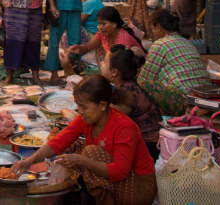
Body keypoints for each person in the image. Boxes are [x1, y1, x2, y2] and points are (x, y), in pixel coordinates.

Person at [11, 75, 157, 205]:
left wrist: (81, 160)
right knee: (72, 147)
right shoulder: (85, 119)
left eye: (84, 107)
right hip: (118, 181)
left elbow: (120, 172)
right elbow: (58, 143)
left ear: (102, 105)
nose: (80, 111)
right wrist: (28, 161)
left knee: (90, 153)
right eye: (78, 106)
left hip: (139, 188)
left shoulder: (124, 126)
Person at [137, 9, 210, 116]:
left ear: (158, 27)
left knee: (141, 86)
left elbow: (145, 79)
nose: (153, 32)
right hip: (201, 97)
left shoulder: (160, 44)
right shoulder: (187, 43)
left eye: (152, 28)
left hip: (183, 99)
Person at [104, 45, 162, 159]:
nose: (101, 64)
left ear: (115, 72)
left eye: (104, 62)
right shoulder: (127, 86)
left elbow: (106, 120)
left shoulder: (127, 93)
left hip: (149, 148)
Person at [69, 7, 145, 64]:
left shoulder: (123, 39)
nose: (100, 27)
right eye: (99, 24)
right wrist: (79, 48)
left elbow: (121, 64)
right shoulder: (102, 33)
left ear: (114, 24)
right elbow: (88, 46)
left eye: (103, 24)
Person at [61, 0, 105, 76]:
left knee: (68, 30)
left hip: (92, 34)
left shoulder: (90, 3)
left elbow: (76, 22)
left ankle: (72, 59)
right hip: (94, 32)